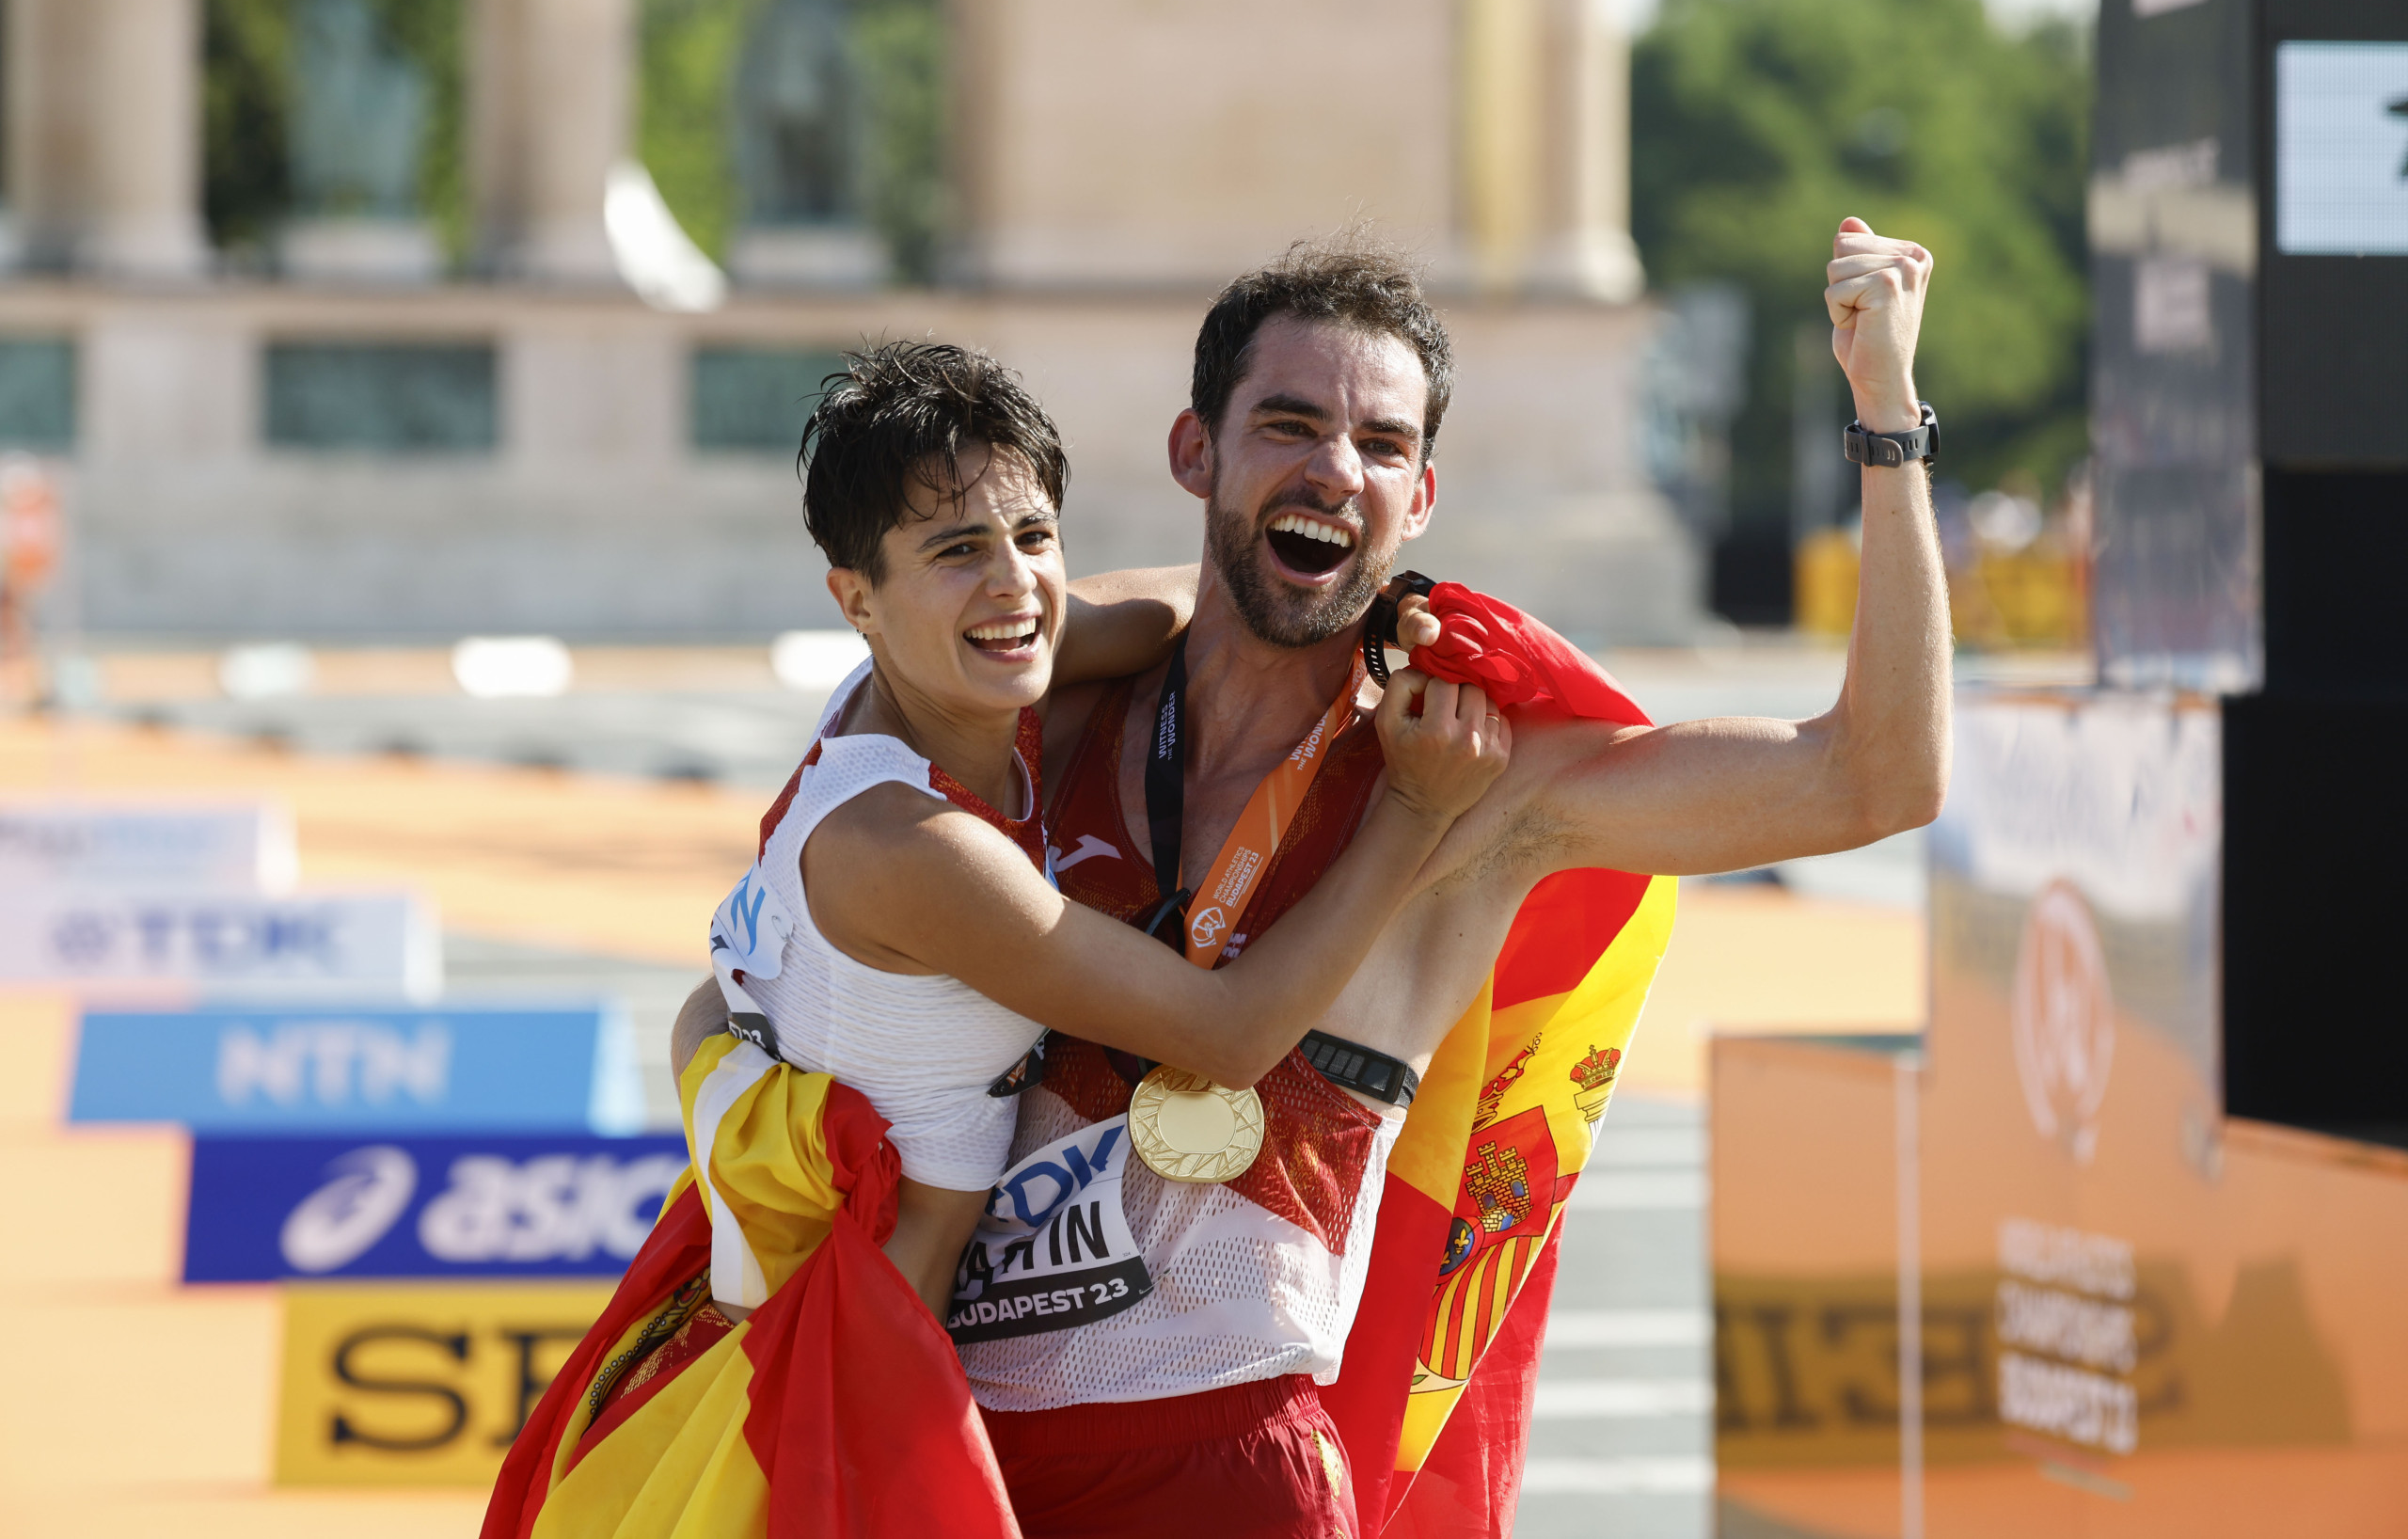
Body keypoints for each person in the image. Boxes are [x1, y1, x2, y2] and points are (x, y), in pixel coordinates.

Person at [674, 216, 1947, 1536]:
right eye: (1287, 425)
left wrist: (1888, 417)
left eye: (1383, 445)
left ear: (1422, 497)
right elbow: (771, 938)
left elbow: (1878, 776)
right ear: (1195, 452)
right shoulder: (1038, 708)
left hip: (1224, 1475)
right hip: (938, 1445)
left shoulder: (1477, 777)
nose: (1336, 468)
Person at [483, 341, 1510, 1539]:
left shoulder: (948, 682)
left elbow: (1179, 610)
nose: (1012, 586)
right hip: (829, 1420)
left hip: (835, 1332)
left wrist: (1340, 563)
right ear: (854, 599)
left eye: (1033, 536)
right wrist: (1412, 814)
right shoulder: (917, 849)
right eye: (955, 551)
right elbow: (1229, 1034)